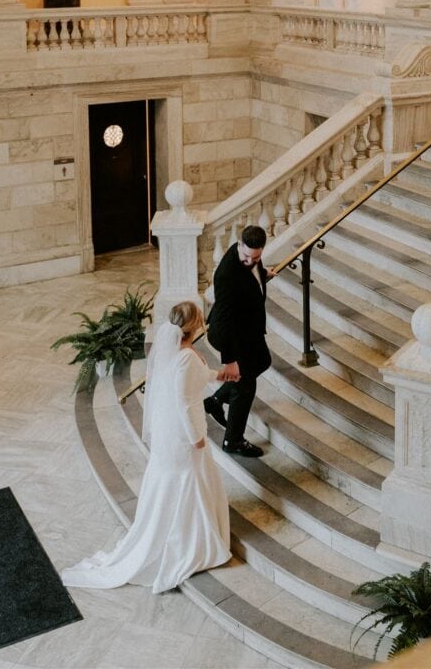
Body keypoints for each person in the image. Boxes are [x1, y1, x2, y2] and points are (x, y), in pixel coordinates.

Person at [62, 302, 231, 594]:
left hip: (170, 432)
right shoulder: (187, 359)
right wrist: (196, 437)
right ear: (195, 325)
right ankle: (192, 542)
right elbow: (184, 401)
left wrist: (221, 375)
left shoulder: (175, 353)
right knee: (189, 481)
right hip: (183, 434)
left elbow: (190, 380)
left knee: (178, 481)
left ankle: (166, 529)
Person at [204, 225, 275, 458]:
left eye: (255, 257)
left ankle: (216, 400)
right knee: (245, 384)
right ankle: (233, 440)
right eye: (246, 256)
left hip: (248, 331)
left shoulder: (252, 259)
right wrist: (230, 360)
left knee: (262, 361)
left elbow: (249, 277)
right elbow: (224, 320)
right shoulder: (225, 274)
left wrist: (262, 276)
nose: (250, 261)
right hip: (230, 335)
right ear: (239, 245)